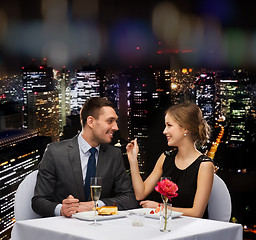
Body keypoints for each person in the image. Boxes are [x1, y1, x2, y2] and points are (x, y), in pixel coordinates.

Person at [32, 97, 138, 217]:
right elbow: (38, 201)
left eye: (115, 122)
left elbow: (129, 198)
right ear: (91, 121)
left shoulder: (114, 155)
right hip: (64, 229)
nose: (116, 127)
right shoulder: (55, 152)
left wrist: (96, 205)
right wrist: (62, 209)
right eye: (110, 121)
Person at [126, 102, 214, 218]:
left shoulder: (204, 165)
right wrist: (133, 160)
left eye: (169, 125)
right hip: (165, 224)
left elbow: (196, 213)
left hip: (191, 229)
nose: (164, 131)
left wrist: (160, 207)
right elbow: (140, 194)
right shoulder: (165, 157)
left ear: (186, 128)